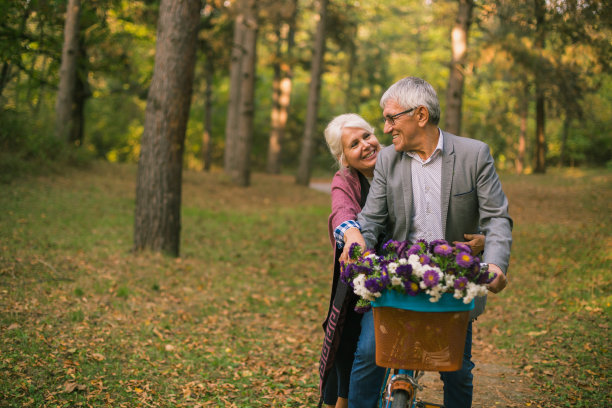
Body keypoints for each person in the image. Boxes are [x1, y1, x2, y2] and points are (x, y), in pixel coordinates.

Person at [344, 76, 512, 408]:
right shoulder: (389, 161)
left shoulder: (474, 155)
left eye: (392, 117)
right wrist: (357, 247)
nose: (386, 127)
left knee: (458, 371)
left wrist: (494, 264)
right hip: (397, 278)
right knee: (366, 354)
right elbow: (373, 220)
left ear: (420, 115)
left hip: (452, 279)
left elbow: (496, 217)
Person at [318, 113, 486, 408]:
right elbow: (341, 212)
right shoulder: (346, 180)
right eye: (353, 144)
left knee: (457, 363)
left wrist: (482, 238)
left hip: (425, 267)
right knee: (363, 350)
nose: (366, 145)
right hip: (379, 277)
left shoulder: (402, 158)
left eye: (367, 136)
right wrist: (353, 234)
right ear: (343, 158)